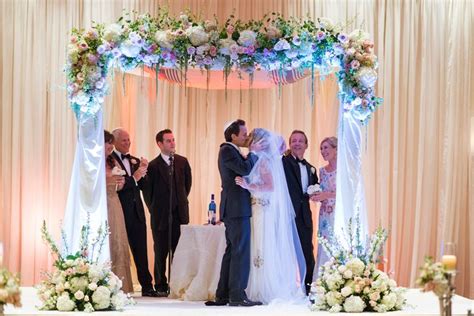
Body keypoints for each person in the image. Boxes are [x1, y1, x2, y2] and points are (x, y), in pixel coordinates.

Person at [235, 129, 306, 304]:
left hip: (261, 209)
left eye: (252, 139)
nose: (250, 142)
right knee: (257, 247)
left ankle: (262, 287)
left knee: (261, 247)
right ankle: (253, 285)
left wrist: (247, 185)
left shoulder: (264, 161)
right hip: (256, 209)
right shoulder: (259, 160)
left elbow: (269, 186)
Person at [205, 119, 261, 307]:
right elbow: (245, 169)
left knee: (232, 251)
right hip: (236, 207)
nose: (247, 137)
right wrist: (253, 153)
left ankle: (224, 295)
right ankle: (237, 295)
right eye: (244, 134)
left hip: (235, 207)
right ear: (233, 135)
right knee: (240, 251)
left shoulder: (231, 151)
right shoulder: (227, 150)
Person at [143, 129, 192, 297]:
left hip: (180, 215)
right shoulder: (153, 166)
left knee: (179, 251)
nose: (172, 143)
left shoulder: (182, 162)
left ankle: (178, 283)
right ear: (160, 144)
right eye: (168, 141)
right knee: (161, 252)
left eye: (173, 140)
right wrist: (155, 209)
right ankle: (161, 284)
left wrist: (180, 203)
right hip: (160, 216)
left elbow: (187, 185)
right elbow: (147, 193)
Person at [111, 128, 157, 297]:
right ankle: (118, 285)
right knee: (118, 249)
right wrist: (135, 177)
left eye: (129, 140)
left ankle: (147, 285)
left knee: (141, 249)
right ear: (114, 142)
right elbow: (117, 186)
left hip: (137, 211)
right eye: (124, 140)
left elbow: (144, 187)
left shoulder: (134, 161)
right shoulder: (109, 161)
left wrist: (144, 171)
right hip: (119, 211)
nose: (128, 143)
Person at [282, 130, 319, 294]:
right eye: (294, 141)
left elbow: (315, 189)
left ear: (306, 145)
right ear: (290, 144)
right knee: (284, 251)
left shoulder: (311, 168)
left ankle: (308, 289)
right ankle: (285, 289)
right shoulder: (283, 162)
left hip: (304, 215)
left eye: (300, 141)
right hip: (286, 215)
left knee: (306, 252)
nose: (297, 143)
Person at [104, 130, 133, 293]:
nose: (110, 146)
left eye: (111, 143)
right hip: (101, 204)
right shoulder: (93, 162)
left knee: (117, 239)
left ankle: (120, 285)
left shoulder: (112, 160)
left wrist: (120, 183)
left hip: (114, 203)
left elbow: (120, 185)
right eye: (108, 142)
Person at [311, 137, 337, 279]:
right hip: (325, 216)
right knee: (325, 245)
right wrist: (316, 194)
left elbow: (348, 194)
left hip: (338, 214)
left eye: (326, 147)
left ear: (336, 149)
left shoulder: (344, 170)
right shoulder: (322, 171)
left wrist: (326, 194)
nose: (323, 151)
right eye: (321, 148)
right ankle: (323, 281)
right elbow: (322, 190)